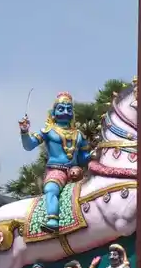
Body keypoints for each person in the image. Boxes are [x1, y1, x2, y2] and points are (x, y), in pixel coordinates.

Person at [18, 91, 91, 233]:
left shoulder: (79, 135)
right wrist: (24, 133)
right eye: (61, 108)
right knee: (51, 189)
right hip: (56, 170)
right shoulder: (48, 130)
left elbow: (82, 158)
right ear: (53, 112)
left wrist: (92, 154)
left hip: (76, 171)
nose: (65, 111)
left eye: (69, 109)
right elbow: (29, 146)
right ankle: (53, 219)